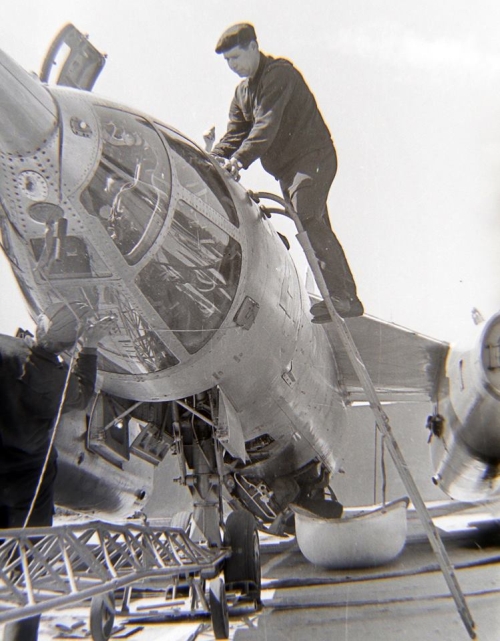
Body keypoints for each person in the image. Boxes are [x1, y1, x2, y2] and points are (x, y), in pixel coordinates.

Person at [211, 22, 363, 320]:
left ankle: (341, 297)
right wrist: (213, 158)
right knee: (312, 223)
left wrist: (239, 161)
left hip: (312, 157)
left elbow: (266, 125)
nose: (233, 66)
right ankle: (347, 297)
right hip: (287, 171)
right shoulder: (242, 93)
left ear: (254, 47)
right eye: (227, 61)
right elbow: (235, 134)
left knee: (307, 217)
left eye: (237, 57)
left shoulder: (279, 74)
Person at [0, 302, 113, 641]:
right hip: (28, 486)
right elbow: (82, 392)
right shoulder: (58, 380)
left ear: (38, 328)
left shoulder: (5, 350)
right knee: (28, 571)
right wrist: (90, 346)